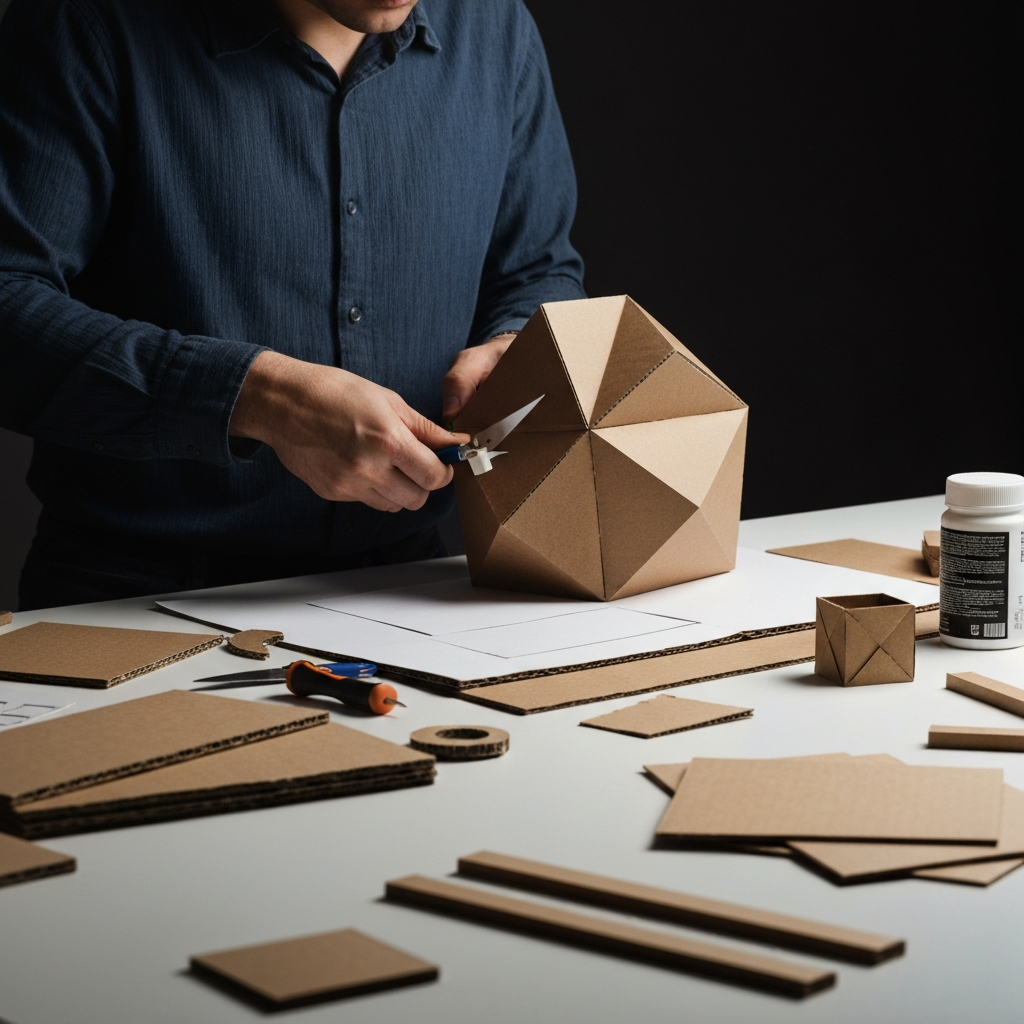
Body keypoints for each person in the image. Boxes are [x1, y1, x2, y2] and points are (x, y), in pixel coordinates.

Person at [0, 0, 585, 609]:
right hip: (132, 590)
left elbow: (537, 269)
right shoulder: (81, 22)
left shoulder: (497, 26)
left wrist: (515, 345)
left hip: (415, 579)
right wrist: (260, 398)